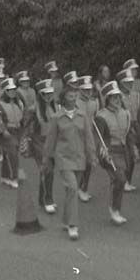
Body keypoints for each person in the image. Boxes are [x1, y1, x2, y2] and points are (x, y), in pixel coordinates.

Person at [43, 86, 96, 241]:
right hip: (64, 158)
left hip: (79, 159)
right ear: (64, 98)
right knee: (72, 188)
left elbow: (88, 137)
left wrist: (92, 155)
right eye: (70, 96)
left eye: (74, 96)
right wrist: (46, 159)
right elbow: (50, 140)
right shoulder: (57, 117)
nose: (73, 99)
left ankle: (66, 221)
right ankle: (73, 225)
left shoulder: (82, 116)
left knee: (71, 191)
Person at [93, 81, 135, 225]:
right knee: (120, 179)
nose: (117, 100)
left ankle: (115, 208)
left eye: (118, 97)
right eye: (114, 97)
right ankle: (115, 210)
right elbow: (98, 138)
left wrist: (133, 148)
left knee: (120, 180)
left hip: (123, 151)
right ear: (107, 99)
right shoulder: (101, 116)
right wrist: (102, 152)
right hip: (110, 151)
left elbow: (128, 134)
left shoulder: (125, 113)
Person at [26, 77, 58, 213]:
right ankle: (48, 199)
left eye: (51, 93)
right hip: (39, 141)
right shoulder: (34, 109)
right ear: (40, 94)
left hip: (53, 142)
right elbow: (26, 126)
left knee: (48, 171)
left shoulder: (55, 106)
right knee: (47, 169)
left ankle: (42, 198)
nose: (49, 96)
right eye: (46, 93)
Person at [0, 78, 25, 188]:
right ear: (5, 91)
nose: (12, 92)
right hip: (7, 131)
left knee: (9, 154)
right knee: (12, 154)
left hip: (18, 130)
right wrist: (3, 130)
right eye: (9, 90)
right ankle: (14, 177)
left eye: (13, 89)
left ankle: (5, 176)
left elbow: (23, 117)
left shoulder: (19, 103)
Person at [117, 63, 140, 191]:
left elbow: (137, 112)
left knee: (132, 157)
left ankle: (127, 180)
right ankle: (121, 181)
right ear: (122, 83)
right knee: (127, 156)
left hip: (133, 127)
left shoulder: (135, 94)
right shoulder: (118, 97)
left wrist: (138, 127)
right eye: (127, 82)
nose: (130, 84)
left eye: (131, 82)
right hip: (122, 129)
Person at [74, 75, 98, 202]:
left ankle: (83, 188)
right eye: (85, 90)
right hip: (78, 137)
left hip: (90, 137)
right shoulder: (74, 103)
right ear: (80, 90)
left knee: (89, 163)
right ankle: (77, 188)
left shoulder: (94, 103)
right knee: (80, 165)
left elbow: (96, 119)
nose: (88, 92)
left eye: (90, 90)